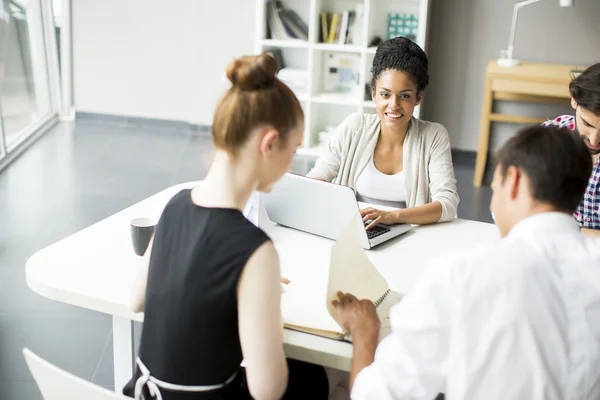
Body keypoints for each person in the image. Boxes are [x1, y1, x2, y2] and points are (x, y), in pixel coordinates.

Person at [332, 125, 600, 399]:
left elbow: (375, 395)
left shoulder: (466, 272)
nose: (493, 206)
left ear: (514, 180)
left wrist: (365, 333)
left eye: (494, 190)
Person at [123, 53, 336, 400]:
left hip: (148, 394)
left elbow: (136, 299)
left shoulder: (175, 205)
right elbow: (267, 390)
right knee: (323, 377)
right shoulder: (255, 249)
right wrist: (259, 302)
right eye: (293, 149)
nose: (292, 163)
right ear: (268, 144)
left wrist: (228, 290)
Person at [307, 37, 459, 230]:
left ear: (418, 97)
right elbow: (318, 177)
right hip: (357, 232)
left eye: (405, 96)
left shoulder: (433, 136)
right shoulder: (355, 127)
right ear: (373, 93)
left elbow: (447, 205)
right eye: (385, 94)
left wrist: (393, 216)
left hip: (410, 237)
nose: (394, 105)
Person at [543, 63, 600, 237]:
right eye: (587, 124)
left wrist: (573, 233)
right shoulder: (550, 138)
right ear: (574, 100)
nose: (594, 140)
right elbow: (510, 204)